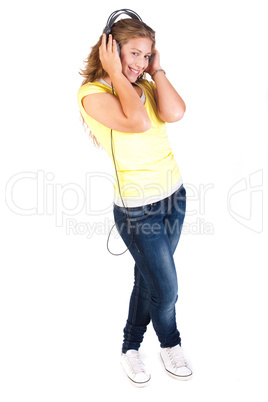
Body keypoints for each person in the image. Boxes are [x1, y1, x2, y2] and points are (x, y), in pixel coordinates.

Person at [78, 11, 192, 387]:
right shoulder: (93, 94)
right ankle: (170, 343)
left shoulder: (145, 83)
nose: (141, 62)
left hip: (174, 198)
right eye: (134, 54)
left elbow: (175, 112)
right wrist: (113, 72)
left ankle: (130, 347)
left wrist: (157, 72)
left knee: (147, 283)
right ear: (111, 49)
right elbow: (139, 121)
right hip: (137, 211)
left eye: (147, 55)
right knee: (167, 290)